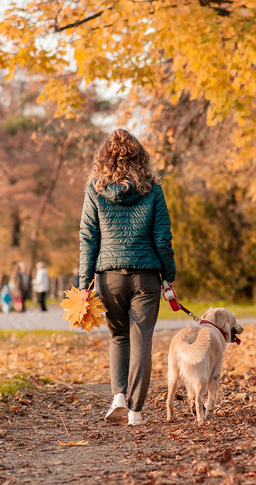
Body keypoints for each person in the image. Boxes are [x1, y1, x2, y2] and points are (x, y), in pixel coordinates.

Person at [79, 129, 176, 426]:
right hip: (145, 276)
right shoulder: (153, 190)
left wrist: (84, 283)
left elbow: (88, 238)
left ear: (104, 158)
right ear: (140, 157)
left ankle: (118, 396)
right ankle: (135, 412)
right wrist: (168, 274)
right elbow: (162, 238)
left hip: (109, 277)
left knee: (118, 336)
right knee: (142, 340)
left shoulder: (95, 189)